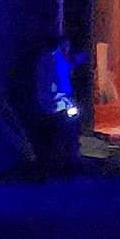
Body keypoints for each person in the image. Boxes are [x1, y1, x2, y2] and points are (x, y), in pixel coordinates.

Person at [34, 38, 87, 178]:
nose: (68, 49)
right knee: (67, 137)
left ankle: (53, 168)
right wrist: (69, 102)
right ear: (61, 45)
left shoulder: (45, 59)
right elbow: (61, 83)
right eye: (67, 46)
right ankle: (68, 167)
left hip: (48, 106)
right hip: (60, 106)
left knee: (54, 138)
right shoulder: (55, 60)